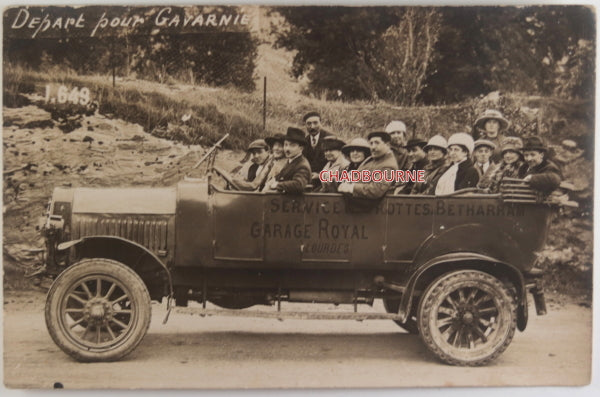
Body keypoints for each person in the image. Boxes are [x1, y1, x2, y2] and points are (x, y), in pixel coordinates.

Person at [337, 131, 398, 199]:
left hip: (370, 207)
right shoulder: (374, 159)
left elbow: (376, 190)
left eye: (377, 143)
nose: (373, 147)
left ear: (387, 145)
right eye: (371, 143)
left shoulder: (389, 166)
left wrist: (351, 187)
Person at [265, 127, 311, 194]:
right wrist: (273, 180)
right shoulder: (291, 161)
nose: (287, 149)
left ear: (301, 149)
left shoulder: (302, 165)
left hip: (296, 201)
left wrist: (277, 184)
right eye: (286, 145)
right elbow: (282, 175)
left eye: (292, 145)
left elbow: (298, 184)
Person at [302, 111, 333, 183]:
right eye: (309, 124)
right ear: (305, 125)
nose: (312, 127)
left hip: (326, 181)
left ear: (321, 123)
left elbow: (337, 164)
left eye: (315, 123)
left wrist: (320, 175)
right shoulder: (304, 141)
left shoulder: (330, 138)